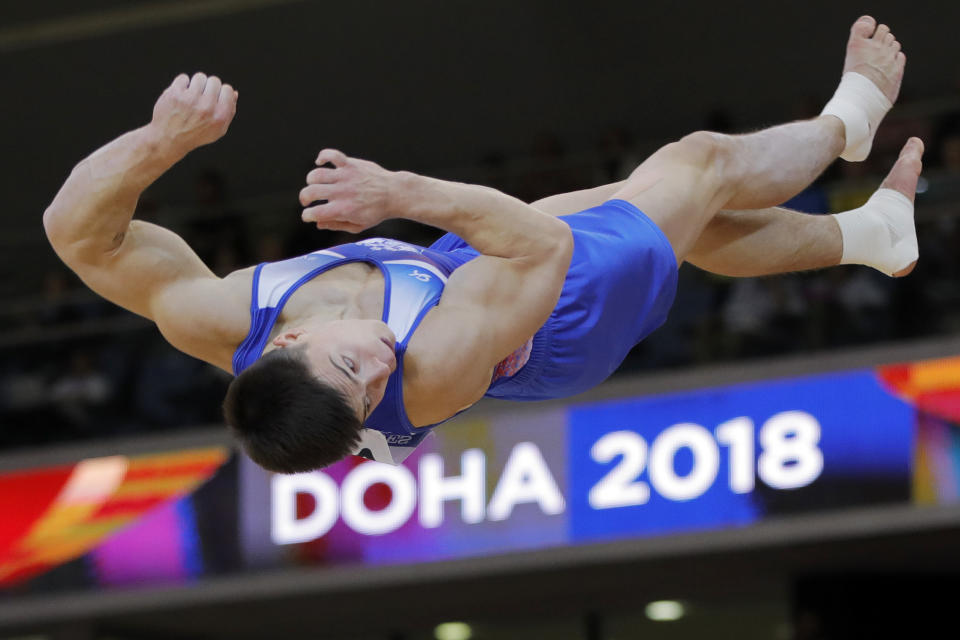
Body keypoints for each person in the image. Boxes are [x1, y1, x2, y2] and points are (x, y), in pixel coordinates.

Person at [44, 16, 921, 470]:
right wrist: (400, 194)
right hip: (548, 320)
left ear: (286, 339)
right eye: (369, 396)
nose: (380, 368)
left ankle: (870, 233)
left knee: (678, 217)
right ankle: (849, 122)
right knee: (695, 170)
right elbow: (538, 250)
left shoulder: (214, 312)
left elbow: (79, 237)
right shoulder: (433, 367)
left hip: (460, 271)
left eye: (354, 370)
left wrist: (162, 142)